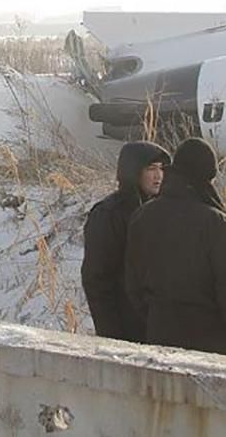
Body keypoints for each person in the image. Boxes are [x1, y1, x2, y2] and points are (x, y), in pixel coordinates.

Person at [125, 137, 226, 357]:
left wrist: (154, 318)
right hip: (209, 342)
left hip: (158, 336)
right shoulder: (217, 224)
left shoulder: (143, 216)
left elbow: (133, 284)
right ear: (207, 176)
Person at [81, 141, 171, 342]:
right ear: (134, 171)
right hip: (125, 324)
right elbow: (97, 278)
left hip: (158, 325)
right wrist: (111, 333)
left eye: (161, 169)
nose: (158, 176)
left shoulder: (161, 210)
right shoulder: (109, 214)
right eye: (151, 169)